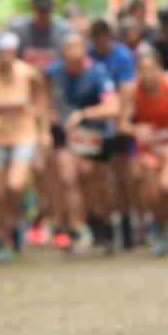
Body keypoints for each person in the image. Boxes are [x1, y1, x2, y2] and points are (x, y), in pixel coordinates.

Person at [0, 31, 49, 262]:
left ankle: (18, 217)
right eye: (0, 52)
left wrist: (44, 130)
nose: (4, 56)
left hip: (24, 135)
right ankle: (4, 237)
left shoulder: (30, 74)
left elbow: (42, 102)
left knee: (14, 185)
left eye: (8, 52)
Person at [11, 0, 75, 246]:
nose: (42, 6)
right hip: (26, 113)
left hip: (59, 112)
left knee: (60, 172)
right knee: (35, 169)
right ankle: (36, 218)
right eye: (38, 0)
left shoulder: (64, 32)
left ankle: (60, 222)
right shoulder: (18, 32)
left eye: (46, 0)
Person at [47, 33, 122, 253]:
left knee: (93, 179)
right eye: (70, 48)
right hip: (66, 135)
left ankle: (102, 221)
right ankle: (76, 228)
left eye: (78, 47)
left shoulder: (98, 72)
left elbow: (113, 106)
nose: (74, 52)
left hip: (94, 134)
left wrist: (83, 114)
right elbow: (44, 98)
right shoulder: (54, 73)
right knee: (68, 177)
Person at [127, 44, 168, 255]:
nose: (147, 73)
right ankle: (162, 229)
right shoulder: (131, 91)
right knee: (152, 194)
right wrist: (135, 128)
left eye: (151, 68)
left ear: (159, 69)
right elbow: (122, 123)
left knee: (166, 186)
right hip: (149, 145)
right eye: (143, 69)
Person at [89, 17, 139, 249]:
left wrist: (123, 119)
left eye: (105, 38)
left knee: (123, 176)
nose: (102, 43)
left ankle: (127, 225)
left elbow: (127, 91)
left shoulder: (123, 56)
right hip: (96, 123)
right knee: (99, 178)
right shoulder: (89, 56)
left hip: (118, 121)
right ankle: (105, 224)